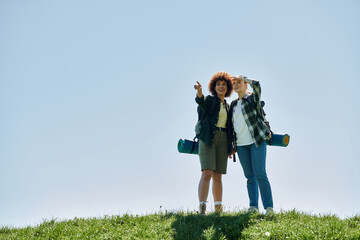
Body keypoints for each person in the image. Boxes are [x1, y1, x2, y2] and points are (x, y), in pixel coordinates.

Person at [230, 75, 274, 215]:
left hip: (257, 141)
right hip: (241, 145)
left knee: (260, 173)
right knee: (249, 176)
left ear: (245, 85)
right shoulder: (233, 105)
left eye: (239, 83)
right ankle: (253, 207)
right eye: (234, 83)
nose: (236, 85)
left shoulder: (252, 99)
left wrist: (243, 77)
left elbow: (257, 85)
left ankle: (269, 208)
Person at [194, 72, 234, 214]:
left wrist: (231, 147)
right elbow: (201, 101)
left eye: (224, 84)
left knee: (218, 175)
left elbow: (230, 128)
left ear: (228, 87)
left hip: (223, 140)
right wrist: (199, 92)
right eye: (218, 84)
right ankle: (202, 208)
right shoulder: (210, 101)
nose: (221, 87)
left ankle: (218, 209)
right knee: (207, 173)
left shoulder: (228, 106)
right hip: (208, 139)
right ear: (214, 87)